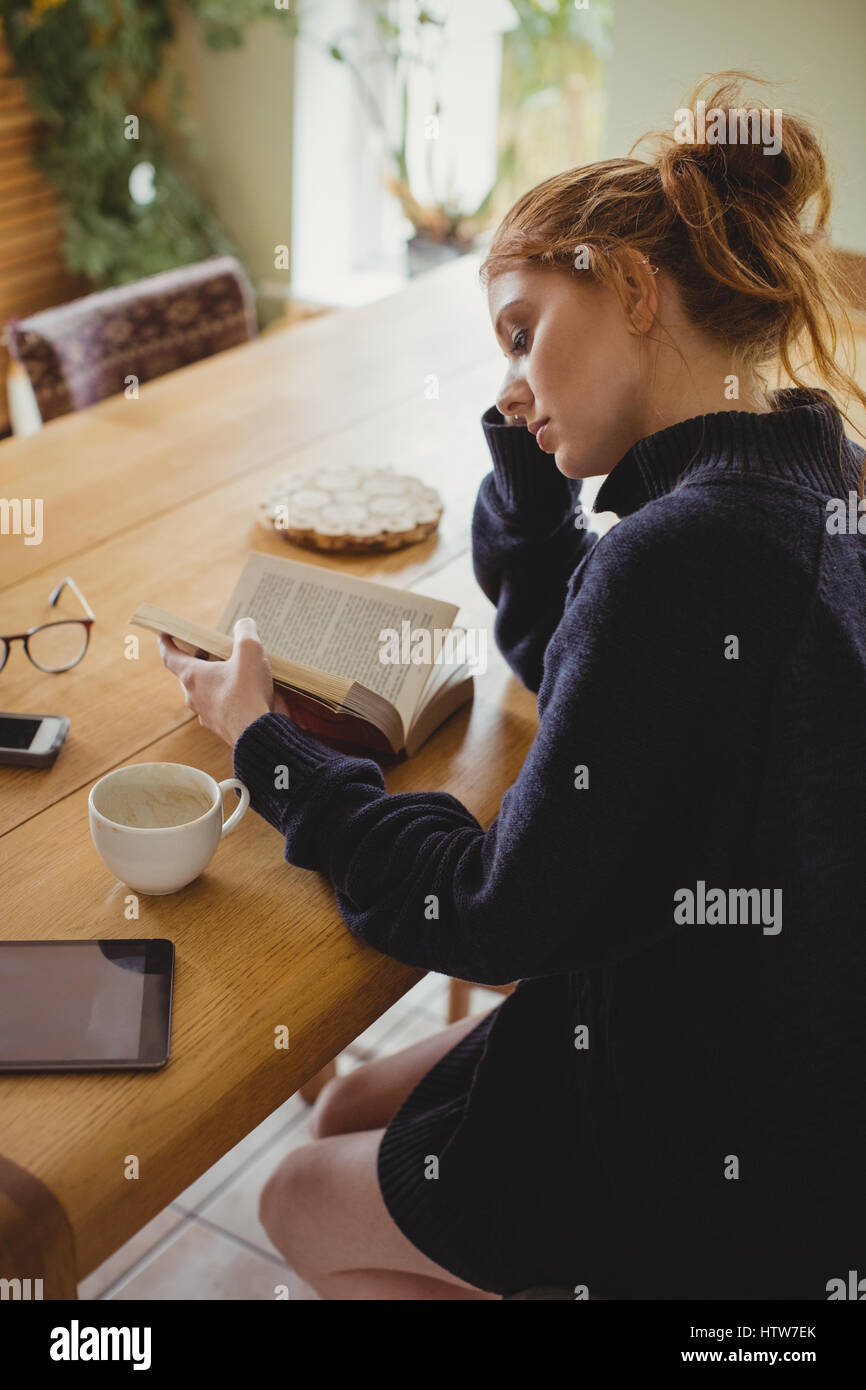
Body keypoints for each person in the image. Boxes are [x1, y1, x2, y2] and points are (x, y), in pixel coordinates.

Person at [159, 73, 866, 1300]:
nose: (509, 385)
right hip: (771, 1055)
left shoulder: (677, 553)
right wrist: (536, 463)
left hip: (707, 1146)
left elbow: (485, 913)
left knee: (292, 1186)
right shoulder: (819, 480)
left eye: (522, 329)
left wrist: (270, 747)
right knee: (356, 1112)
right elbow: (622, 697)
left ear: (635, 291)